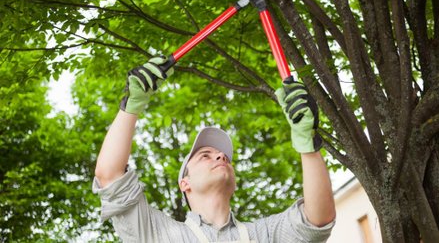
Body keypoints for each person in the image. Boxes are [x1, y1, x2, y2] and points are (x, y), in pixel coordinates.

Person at [93, 57, 336, 242]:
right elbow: (110, 176)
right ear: (184, 183)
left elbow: (317, 220)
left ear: (235, 183)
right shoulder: (158, 234)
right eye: (204, 155)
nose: (220, 156)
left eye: (224, 157)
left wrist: (307, 145)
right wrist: (131, 106)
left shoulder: (263, 235)